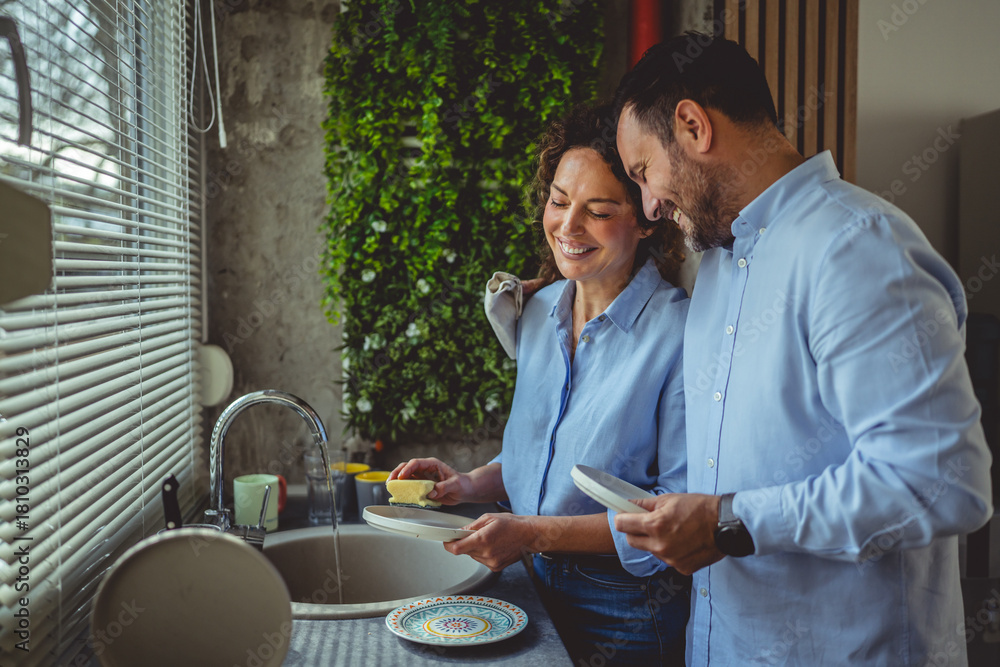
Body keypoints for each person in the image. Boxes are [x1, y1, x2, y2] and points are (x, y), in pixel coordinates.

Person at [609, 33, 993, 665]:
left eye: (644, 172)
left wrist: (728, 522)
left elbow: (941, 481)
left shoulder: (858, 248)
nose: (648, 204)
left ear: (692, 125)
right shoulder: (717, 270)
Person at [390, 104, 691, 665]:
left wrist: (527, 533)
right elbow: (538, 463)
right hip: (530, 581)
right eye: (558, 201)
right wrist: (466, 484)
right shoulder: (538, 310)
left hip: (623, 607)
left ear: (647, 218)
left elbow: (664, 519)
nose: (568, 227)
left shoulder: (678, 332)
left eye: (598, 211)